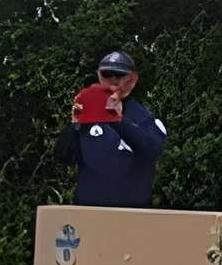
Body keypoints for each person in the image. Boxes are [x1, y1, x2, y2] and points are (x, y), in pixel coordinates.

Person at [64, 48, 169, 208]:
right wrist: (74, 124)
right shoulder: (87, 118)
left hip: (132, 216)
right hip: (88, 216)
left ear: (132, 80)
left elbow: (152, 151)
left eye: (119, 75)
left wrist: (117, 120)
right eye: (107, 74)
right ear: (99, 76)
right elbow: (61, 156)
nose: (113, 80)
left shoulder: (145, 119)